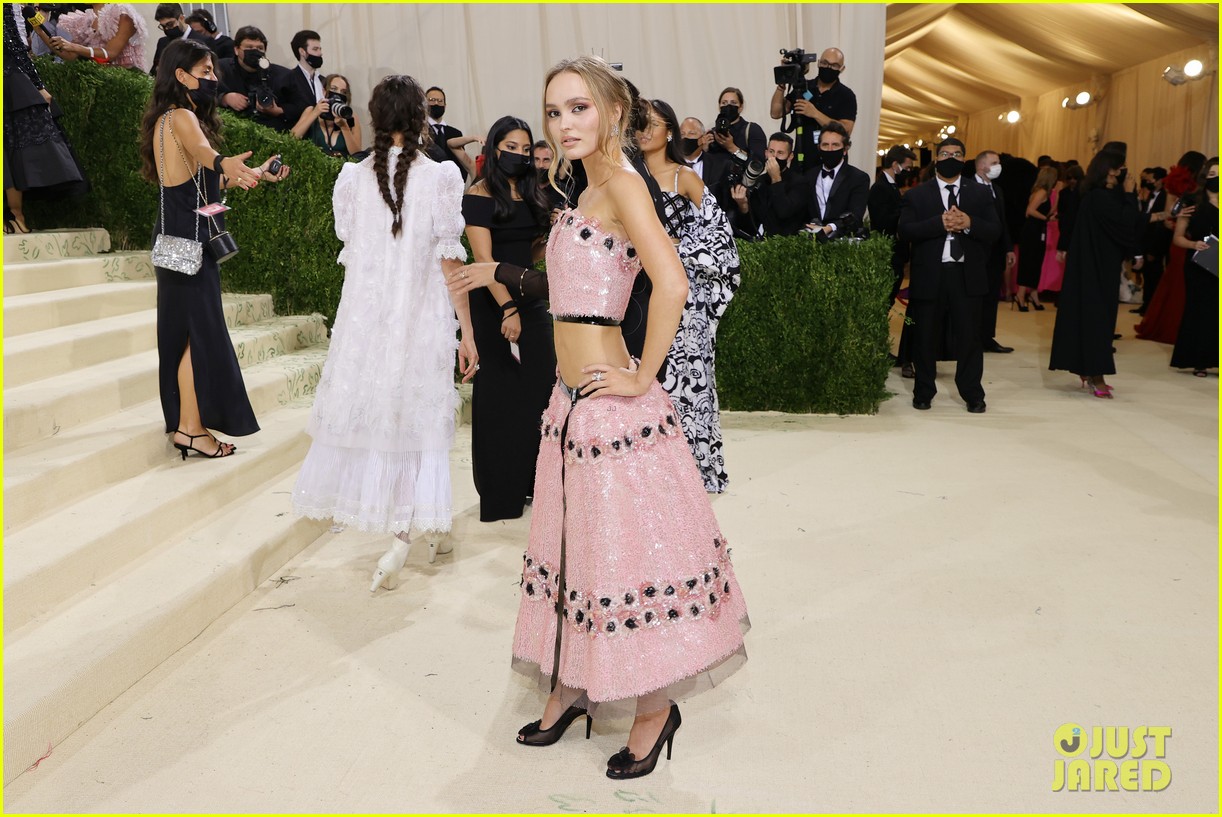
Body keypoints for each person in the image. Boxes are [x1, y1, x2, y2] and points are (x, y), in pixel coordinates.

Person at [446, 55, 748, 780]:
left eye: (579, 108)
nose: (563, 124)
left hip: (615, 408)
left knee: (629, 557)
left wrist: (643, 372)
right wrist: (499, 273)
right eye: (554, 112)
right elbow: (577, 283)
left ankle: (653, 708)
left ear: (615, 112)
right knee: (578, 551)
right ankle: (572, 685)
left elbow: (670, 281)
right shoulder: (582, 189)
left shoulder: (622, 185)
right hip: (567, 404)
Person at [293, 74, 477, 587]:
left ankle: (419, 531)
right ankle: (402, 539)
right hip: (420, 321)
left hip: (365, 325)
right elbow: (448, 261)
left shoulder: (350, 179)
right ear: (421, 118)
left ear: (374, 118)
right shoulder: (441, 176)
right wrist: (469, 330)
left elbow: (354, 257)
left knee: (389, 418)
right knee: (418, 421)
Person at [138, 39, 287, 459]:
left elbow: (200, 178)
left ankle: (189, 426)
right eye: (205, 72)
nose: (213, 79)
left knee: (190, 337)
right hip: (188, 240)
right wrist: (224, 163)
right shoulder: (181, 115)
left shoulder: (168, 119)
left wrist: (248, 172)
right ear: (181, 76)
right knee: (196, 337)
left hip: (182, 236)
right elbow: (206, 155)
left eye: (212, 72)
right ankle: (191, 428)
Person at [639, 98, 740, 493]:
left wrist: (671, 249)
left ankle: (686, 475)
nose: (645, 131)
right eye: (639, 124)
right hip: (632, 295)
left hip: (679, 297)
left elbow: (720, 240)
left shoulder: (685, 178)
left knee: (683, 381)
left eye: (653, 123)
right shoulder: (624, 176)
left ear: (670, 131)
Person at [461, 116, 556, 522]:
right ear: (494, 148)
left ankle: (533, 483)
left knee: (538, 393)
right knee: (499, 397)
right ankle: (500, 495)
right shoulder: (479, 195)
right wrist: (508, 309)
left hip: (532, 302)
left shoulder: (535, 192)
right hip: (493, 305)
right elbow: (485, 261)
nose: (518, 155)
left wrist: (548, 235)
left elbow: (526, 254)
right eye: (510, 147)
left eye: (524, 148)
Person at [898, 137, 1000, 413]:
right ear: (936, 158)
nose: (950, 157)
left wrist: (969, 223)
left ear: (964, 159)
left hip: (967, 275)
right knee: (925, 337)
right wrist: (938, 224)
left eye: (956, 153)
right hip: (931, 274)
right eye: (944, 153)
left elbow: (994, 231)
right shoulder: (917, 194)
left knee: (969, 337)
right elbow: (906, 231)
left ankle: (972, 393)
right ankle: (923, 391)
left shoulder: (979, 194)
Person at [1048, 147, 1145, 396]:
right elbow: (1126, 220)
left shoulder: (1104, 195)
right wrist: (1130, 194)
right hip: (1094, 268)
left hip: (1105, 265)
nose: (1126, 171)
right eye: (1122, 167)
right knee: (1096, 320)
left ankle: (1089, 370)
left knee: (1101, 319)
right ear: (1111, 170)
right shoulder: (1099, 196)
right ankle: (1096, 374)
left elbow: (1128, 222)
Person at [3, 4, 88, 235]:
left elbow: (56, 46)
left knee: (11, 150)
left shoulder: (28, 12)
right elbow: (12, 45)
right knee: (14, 150)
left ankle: (13, 217)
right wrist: (38, 85)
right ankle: (15, 217)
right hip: (11, 78)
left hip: (13, 77)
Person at [767, 121, 868, 241]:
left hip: (843, 245)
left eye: (835, 145)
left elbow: (855, 215)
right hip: (812, 243)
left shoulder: (858, 178)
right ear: (819, 148)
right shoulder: (808, 176)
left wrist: (830, 227)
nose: (830, 149)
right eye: (825, 145)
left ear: (845, 149)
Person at [769, 47, 857, 172]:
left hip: (830, 161)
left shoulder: (846, 95)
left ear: (842, 69)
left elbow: (846, 130)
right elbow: (776, 112)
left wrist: (815, 113)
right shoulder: (804, 87)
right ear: (819, 63)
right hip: (801, 159)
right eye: (825, 63)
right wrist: (782, 83)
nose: (828, 68)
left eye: (834, 65)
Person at [1168, 158, 1218, 377]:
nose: (1216, 178)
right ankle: (1200, 361)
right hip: (1200, 263)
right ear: (1205, 176)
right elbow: (1177, 237)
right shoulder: (1193, 201)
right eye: (1212, 174)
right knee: (1201, 311)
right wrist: (1193, 244)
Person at [964, 150, 1015, 353]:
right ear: (981, 166)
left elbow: (1003, 222)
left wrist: (1008, 248)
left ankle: (987, 337)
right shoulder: (967, 187)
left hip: (994, 252)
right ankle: (970, 337)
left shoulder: (997, 190)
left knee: (991, 294)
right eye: (994, 162)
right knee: (973, 295)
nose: (998, 166)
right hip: (975, 250)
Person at [728, 132, 807, 239]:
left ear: (790, 156)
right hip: (762, 244)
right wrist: (743, 206)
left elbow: (784, 212)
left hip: (788, 245)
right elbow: (749, 227)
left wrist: (776, 179)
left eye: (780, 153)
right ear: (766, 153)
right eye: (771, 152)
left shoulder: (799, 182)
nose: (774, 157)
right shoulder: (759, 181)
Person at [869, 145, 917, 302]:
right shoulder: (880, 188)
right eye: (907, 168)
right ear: (896, 165)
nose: (909, 172)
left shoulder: (892, 186)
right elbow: (882, 220)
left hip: (896, 253)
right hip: (888, 253)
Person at [217, 26, 288, 131]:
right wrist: (225, 98)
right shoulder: (220, 68)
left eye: (260, 48)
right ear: (236, 50)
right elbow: (202, 95)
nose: (255, 51)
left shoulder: (281, 74)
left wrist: (278, 110)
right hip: (233, 130)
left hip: (271, 131)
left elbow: (298, 105)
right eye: (249, 48)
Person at [50, 3, 146, 69]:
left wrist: (74, 47)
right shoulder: (86, 19)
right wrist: (41, 31)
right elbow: (70, 56)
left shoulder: (123, 13)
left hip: (122, 83)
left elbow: (111, 54)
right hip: (97, 80)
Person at [1015, 165, 1057, 311]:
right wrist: (1045, 218)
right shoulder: (1041, 192)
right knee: (1029, 262)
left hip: (1037, 230)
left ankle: (1033, 294)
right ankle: (1021, 295)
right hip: (1032, 231)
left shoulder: (1044, 192)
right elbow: (1030, 211)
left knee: (1035, 262)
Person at [291, 73, 363, 158]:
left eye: (343, 92)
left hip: (343, 169)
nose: (338, 94)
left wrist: (344, 127)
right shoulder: (311, 110)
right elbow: (291, 139)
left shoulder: (351, 116)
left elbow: (357, 155)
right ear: (324, 91)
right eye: (334, 89)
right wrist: (315, 113)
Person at [1131, 167, 1170, 316]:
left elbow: (1160, 228)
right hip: (1146, 242)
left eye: (1150, 180)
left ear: (1160, 181)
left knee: (1155, 278)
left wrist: (1154, 250)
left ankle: (1153, 308)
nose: (1147, 183)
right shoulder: (1151, 195)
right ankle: (1146, 305)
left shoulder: (1165, 197)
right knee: (1148, 276)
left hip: (1156, 245)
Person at [274, 30, 326, 137]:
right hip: (300, 139)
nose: (320, 53)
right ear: (302, 52)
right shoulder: (286, 80)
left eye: (320, 49)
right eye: (315, 49)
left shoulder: (324, 81)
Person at [424, 86, 479, 182]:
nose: (436, 103)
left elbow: (462, 163)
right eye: (432, 100)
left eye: (440, 101)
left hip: (454, 186)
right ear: (424, 104)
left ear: (445, 105)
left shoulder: (456, 133)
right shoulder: (420, 131)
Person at [705, 87, 766, 165]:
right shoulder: (712, 133)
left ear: (741, 107)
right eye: (724, 103)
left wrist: (732, 148)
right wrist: (704, 150)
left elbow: (757, 164)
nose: (728, 106)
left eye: (733, 103)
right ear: (719, 106)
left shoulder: (752, 130)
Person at [149, 3, 210, 75]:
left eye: (170, 24)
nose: (167, 29)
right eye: (163, 26)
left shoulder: (204, 41)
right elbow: (153, 72)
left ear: (181, 18)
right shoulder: (162, 42)